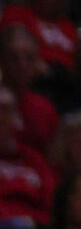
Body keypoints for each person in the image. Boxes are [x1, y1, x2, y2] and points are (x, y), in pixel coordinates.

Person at [0, 86, 52, 229]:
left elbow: (49, 201)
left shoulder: (33, 159)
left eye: (6, 110)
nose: (1, 117)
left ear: (17, 117)